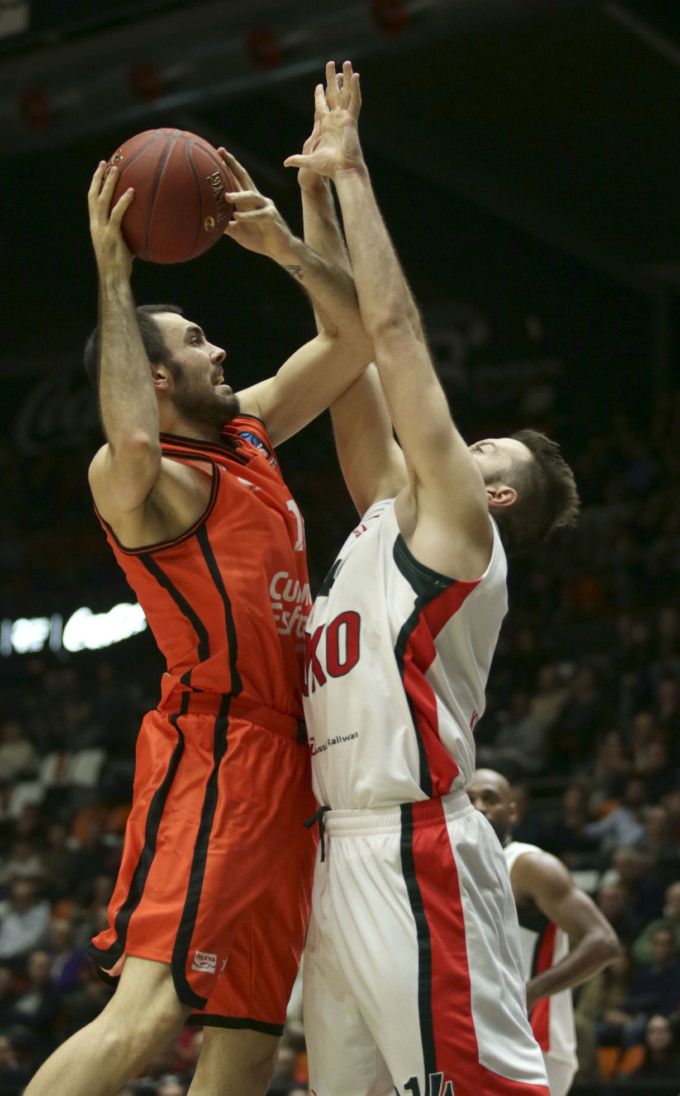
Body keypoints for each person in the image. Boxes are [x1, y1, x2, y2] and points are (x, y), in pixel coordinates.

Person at [24, 147, 371, 1096]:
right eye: (196, 339)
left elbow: (354, 341)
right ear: (156, 375)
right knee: (146, 1012)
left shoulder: (247, 433)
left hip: (296, 767)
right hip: (218, 751)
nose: (220, 351)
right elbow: (132, 436)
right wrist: (114, 274)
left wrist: (286, 246)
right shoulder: (143, 482)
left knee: (251, 1040)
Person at [285, 61, 579, 1096]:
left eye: (482, 447)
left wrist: (354, 172)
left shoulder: (459, 526)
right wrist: (310, 207)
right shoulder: (384, 512)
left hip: (416, 848)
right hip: (338, 853)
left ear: (492, 494)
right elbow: (349, 360)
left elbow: (396, 335)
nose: (461, 442)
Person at [467, 768, 620, 1096]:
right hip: (482, 1038)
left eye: (490, 798)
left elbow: (604, 942)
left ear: (512, 810)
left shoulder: (528, 865)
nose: (478, 807)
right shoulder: (458, 868)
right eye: (469, 799)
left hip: (534, 1041)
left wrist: (530, 992)